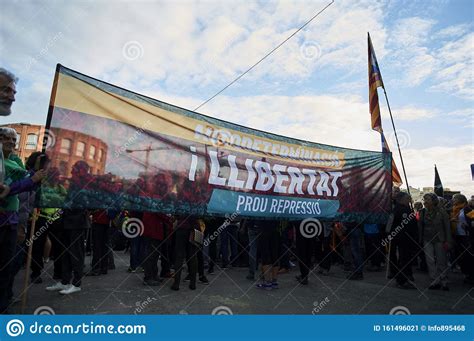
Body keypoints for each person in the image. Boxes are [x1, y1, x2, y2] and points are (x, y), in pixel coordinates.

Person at [0, 128, 45, 313]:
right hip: (4, 218)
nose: (11, 141)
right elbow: (10, 188)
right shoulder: (5, 165)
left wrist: (34, 179)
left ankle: (4, 302)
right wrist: (32, 178)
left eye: (13, 139)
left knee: (9, 264)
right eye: (6, 138)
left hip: (13, 219)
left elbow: (26, 189)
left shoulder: (15, 161)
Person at [418, 193, 451, 290]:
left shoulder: (442, 212)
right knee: (430, 260)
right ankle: (435, 280)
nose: (425, 201)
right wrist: (419, 239)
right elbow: (420, 227)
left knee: (441, 260)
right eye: (424, 199)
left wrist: (448, 240)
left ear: (434, 201)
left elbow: (447, 227)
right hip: (427, 239)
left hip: (440, 239)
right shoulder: (422, 212)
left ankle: (444, 280)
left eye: (427, 199)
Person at [392, 192, 418, 289]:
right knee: (404, 260)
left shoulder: (396, 209)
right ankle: (402, 280)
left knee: (404, 259)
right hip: (405, 238)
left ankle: (405, 277)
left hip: (402, 238)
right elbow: (409, 226)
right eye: (407, 198)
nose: (409, 200)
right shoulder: (403, 210)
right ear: (401, 199)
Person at [450, 194, 474, 284]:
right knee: (461, 256)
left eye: (454, 198)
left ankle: (471, 276)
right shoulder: (456, 209)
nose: (453, 200)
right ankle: (467, 274)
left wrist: (467, 226)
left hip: (466, 236)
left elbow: (473, 221)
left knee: (468, 256)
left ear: (460, 200)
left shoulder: (468, 209)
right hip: (458, 236)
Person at [171, 215, 199, 291]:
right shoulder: (199, 202)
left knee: (179, 257)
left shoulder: (180, 202)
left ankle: (176, 283)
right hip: (193, 228)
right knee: (193, 256)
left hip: (181, 228)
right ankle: (193, 283)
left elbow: (176, 213)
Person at [255, 220, 280, 290]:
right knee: (274, 255)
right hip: (275, 229)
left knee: (265, 255)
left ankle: (267, 282)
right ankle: (274, 281)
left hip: (263, 229)